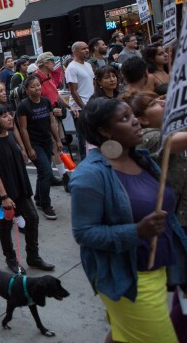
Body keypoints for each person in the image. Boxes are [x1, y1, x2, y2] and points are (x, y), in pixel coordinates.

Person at [70, 98, 186, 343]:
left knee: (123, 335)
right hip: (129, 279)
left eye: (132, 114)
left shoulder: (141, 157)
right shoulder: (90, 175)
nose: (135, 121)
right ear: (105, 131)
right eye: (124, 118)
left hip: (158, 269)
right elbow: (84, 233)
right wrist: (136, 231)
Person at [0, 104, 54, 274]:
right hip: (4, 192)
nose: (9, 117)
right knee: (6, 224)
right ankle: (11, 259)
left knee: (33, 218)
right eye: (4, 116)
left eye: (9, 114)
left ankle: (33, 257)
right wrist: (4, 196)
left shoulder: (9, 136)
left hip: (19, 186)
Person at [16, 75, 63, 220]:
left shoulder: (46, 101)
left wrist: (57, 140)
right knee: (47, 172)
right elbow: (23, 129)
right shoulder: (23, 106)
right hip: (35, 144)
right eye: (33, 86)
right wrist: (29, 149)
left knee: (43, 172)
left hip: (47, 142)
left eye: (38, 85)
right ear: (27, 90)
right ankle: (46, 204)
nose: (37, 88)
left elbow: (51, 122)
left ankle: (38, 198)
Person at [66, 41, 95, 162]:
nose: (87, 50)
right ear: (75, 52)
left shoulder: (88, 65)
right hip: (79, 108)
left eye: (87, 48)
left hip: (92, 105)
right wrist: (83, 107)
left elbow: (92, 84)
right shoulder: (71, 68)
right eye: (83, 49)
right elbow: (73, 91)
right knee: (83, 137)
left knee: (93, 136)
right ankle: (85, 163)